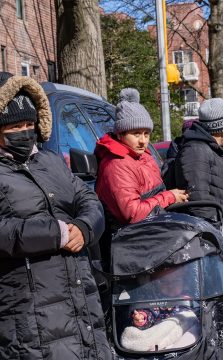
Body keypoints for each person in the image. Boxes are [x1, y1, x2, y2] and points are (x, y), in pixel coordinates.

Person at [0, 72, 112, 359]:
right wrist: (56, 233)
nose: (25, 132)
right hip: (29, 306)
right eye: (15, 127)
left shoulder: (50, 161)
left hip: (79, 296)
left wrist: (85, 228)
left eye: (29, 124)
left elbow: (88, 199)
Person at [173, 98, 223, 264]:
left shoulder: (215, 149)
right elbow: (197, 199)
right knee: (220, 287)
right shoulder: (196, 150)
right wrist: (216, 233)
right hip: (218, 239)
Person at [95, 88, 188, 229]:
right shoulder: (117, 165)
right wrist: (169, 197)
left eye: (146, 134)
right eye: (136, 134)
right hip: (134, 240)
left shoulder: (143, 156)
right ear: (120, 134)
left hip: (154, 229)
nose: (143, 141)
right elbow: (133, 214)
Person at [121, 267, 199, 351]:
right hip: (161, 332)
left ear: (184, 282)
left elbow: (197, 317)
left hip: (183, 333)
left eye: (176, 281)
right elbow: (150, 312)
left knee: (195, 326)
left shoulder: (190, 297)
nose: (170, 285)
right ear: (155, 284)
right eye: (163, 281)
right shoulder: (155, 299)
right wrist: (142, 318)